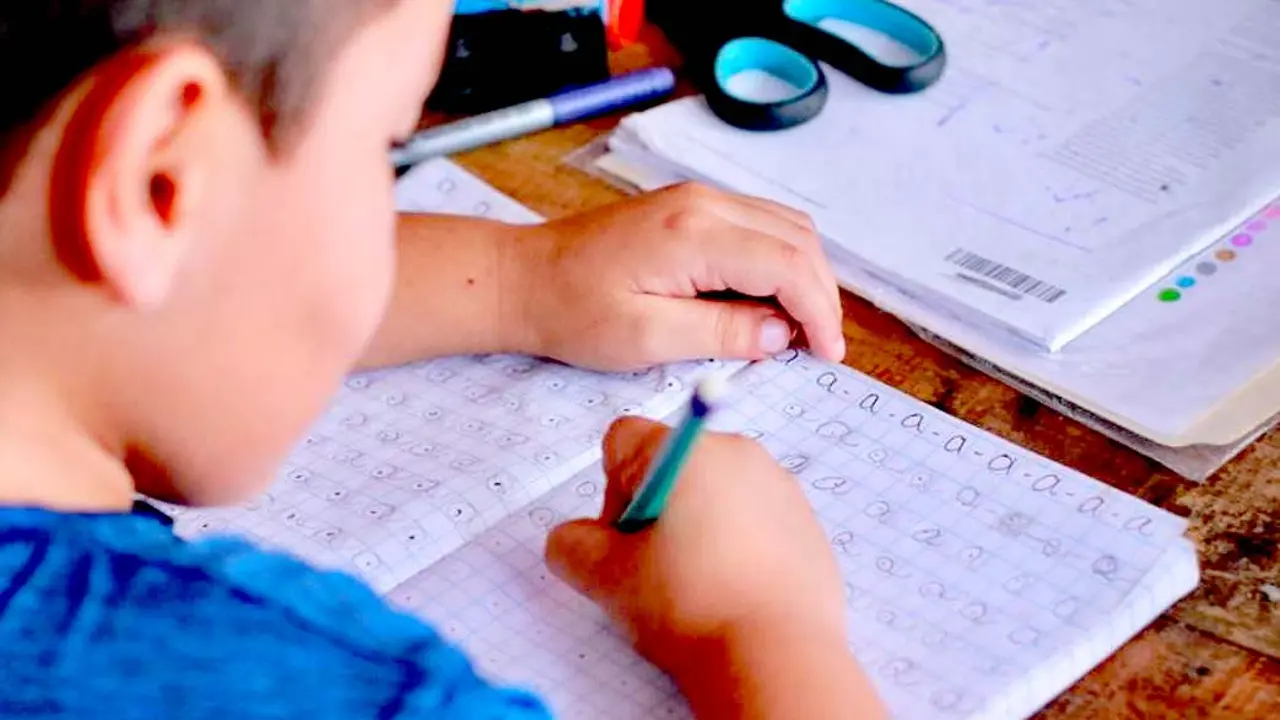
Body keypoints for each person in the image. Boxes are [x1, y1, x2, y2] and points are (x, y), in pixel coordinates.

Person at [0, 1, 884, 718]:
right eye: (387, 152)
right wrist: (761, 633)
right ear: (163, 181)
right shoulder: (313, 690)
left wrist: (515, 279)